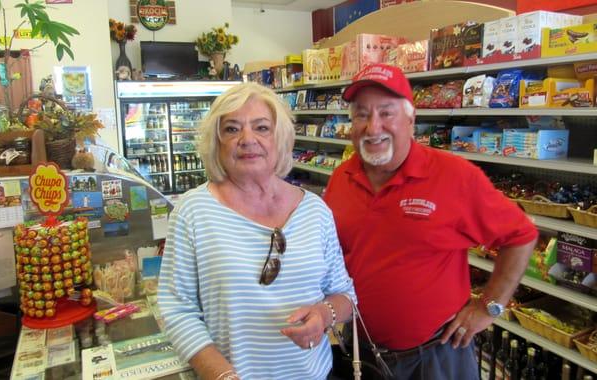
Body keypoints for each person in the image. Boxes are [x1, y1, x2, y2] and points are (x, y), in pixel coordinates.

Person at [324, 63, 538, 380]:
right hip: (363, 353)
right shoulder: (342, 177)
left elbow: (520, 235)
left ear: (411, 119)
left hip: (436, 356)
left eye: (386, 113)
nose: (373, 127)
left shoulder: (454, 175)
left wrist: (488, 307)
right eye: (361, 114)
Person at [158, 82, 356, 380]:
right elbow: (177, 310)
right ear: (217, 142)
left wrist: (324, 314)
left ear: (280, 138)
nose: (247, 139)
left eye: (261, 127)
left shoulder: (315, 211)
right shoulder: (193, 212)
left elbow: (345, 294)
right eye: (232, 129)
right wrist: (221, 374)